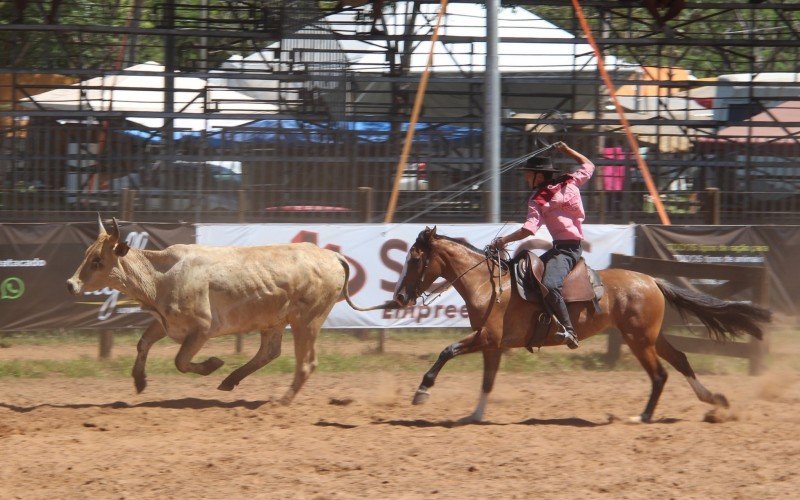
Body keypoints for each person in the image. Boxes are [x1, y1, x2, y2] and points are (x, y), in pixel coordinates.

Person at [491, 141, 595, 349]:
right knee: (530, 276)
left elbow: (529, 229)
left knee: (549, 284)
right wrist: (567, 150)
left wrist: (503, 241)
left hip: (567, 250)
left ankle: (569, 330)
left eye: (528, 174)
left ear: (539, 176)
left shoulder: (538, 199)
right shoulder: (570, 181)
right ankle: (538, 327)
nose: (525, 177)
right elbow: (588, 165)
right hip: (566, 248)